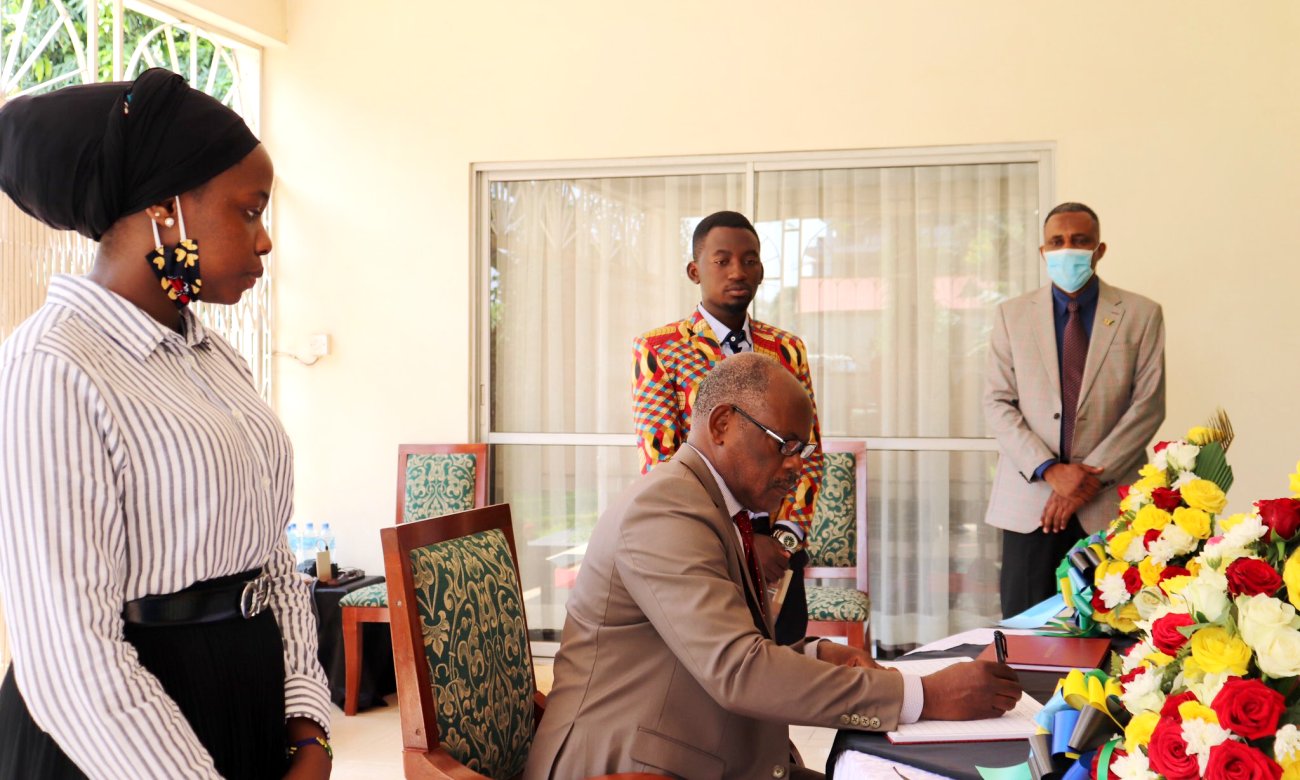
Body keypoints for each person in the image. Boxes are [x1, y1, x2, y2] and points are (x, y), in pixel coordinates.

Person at [0, 69, 331, 779]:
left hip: (242, 705)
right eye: (250, 211)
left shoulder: (215, 361)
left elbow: (270, 557)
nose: (266, 241)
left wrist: (307, 724)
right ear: (164, 208)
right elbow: (69, 654)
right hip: (119, 744)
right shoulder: (53, 366)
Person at [527, 353, 1021, 780]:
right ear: (721, 424)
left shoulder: (712, 505)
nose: (795, 465)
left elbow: (717, 649)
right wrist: (923, 694)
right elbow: (739, 670)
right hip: (629, 767)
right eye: (782, 444)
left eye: (801, 450)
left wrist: (817, 654)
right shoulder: (665, 509)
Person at [633, 210, 820, 644]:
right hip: (700, 540)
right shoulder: (659, 349)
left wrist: (784, 540)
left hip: (777, 542)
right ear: (695, 270)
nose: (738, 271)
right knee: (715, 670)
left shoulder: (787, 349)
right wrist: (739, 545)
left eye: (750, 260)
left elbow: (808, 454)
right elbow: (662, 461)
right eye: (722, 260)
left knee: (788, 661)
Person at [984, 202, 1166, 618]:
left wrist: (1084, 480)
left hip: (1107, 506)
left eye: (1080, 241)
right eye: (1058, 241)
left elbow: (1148, 405)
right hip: (1029, 502)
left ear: (1099, 250)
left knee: (1111, 627)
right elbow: (997, 402)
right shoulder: (1011, 316)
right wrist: (1051, 470)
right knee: (1025, 631)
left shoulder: (1141, 314)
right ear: (1043, 251)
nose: (1068, 249)